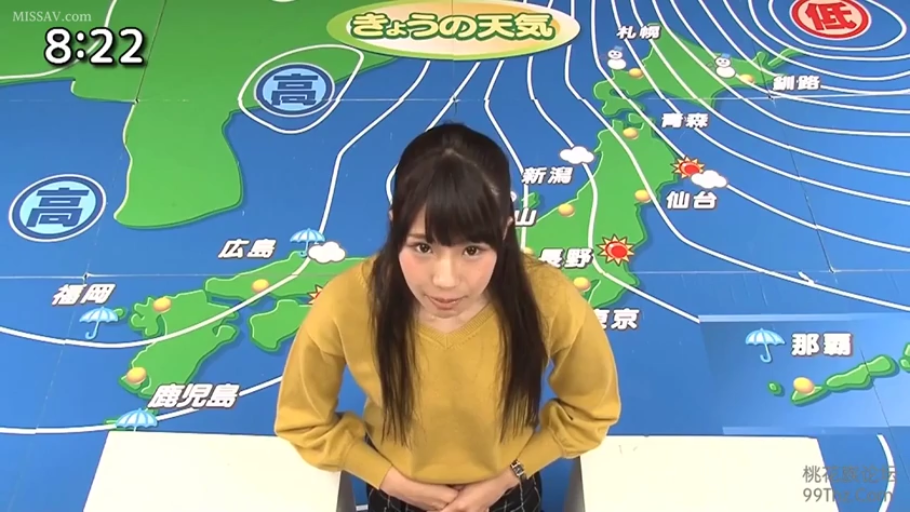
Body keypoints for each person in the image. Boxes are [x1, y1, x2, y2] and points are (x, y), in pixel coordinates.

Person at [274, 122, 621, 512]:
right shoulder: (347, 301)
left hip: (510, 489)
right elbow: (302, 420)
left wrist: (507, 478)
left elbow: (591, 410)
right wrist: (393, 482)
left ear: (504, 231)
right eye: (423, 246)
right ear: (396, 224)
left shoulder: (547, 298)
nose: (445, 280)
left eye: (472, 250)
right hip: (394, 491)